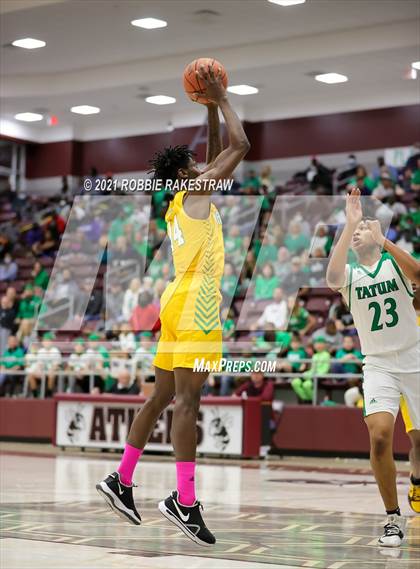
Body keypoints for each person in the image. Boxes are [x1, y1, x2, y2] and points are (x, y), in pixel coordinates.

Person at [96, 63, 250, 546]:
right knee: (188, 402)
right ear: (188, 173)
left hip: (176, 298)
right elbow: (240, 147)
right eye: (196, 165)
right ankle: (183, 501)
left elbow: (212, 153)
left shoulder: (180, 199)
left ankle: (120, 479)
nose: (204, 166)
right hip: (199, 301)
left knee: (161, 398)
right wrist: (223, 98)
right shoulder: (199, 190)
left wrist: (206, 111)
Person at [326, 187, 420, 546]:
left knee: (419, 443)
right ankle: (393, 519)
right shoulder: (350, 275)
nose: (360, 232)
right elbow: (332, 279)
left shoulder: (392, 263)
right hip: (378, 364)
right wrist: (350, 224)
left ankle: (417, 477)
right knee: (380, 436)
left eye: (365, 226)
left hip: (414, 358)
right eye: (356, 231)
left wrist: (386, 241)